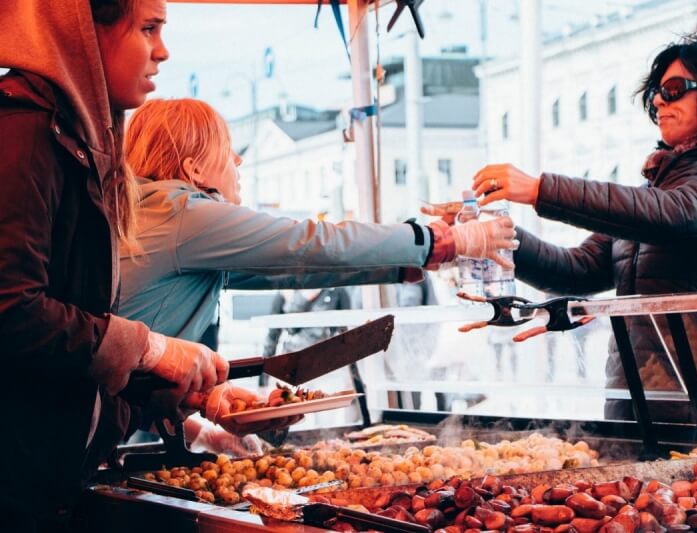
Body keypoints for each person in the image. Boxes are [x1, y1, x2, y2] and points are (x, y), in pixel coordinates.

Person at [0, 2, 272, 529]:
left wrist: (170, 396)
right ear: (82, 33)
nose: (162, 51)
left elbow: (62, 366)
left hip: (51, 488)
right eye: (147, 29)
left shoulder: (72, 142)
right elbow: (11, 310)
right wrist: (149, 347)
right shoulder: (23, 135)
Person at [117, 97, 515, 449]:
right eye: (227, 149)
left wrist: (409, 261)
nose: (238, 161)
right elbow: (310, 242)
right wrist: (438, 242)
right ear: (195, 169)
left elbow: (293, 271)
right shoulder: (183, 214)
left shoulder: (158, 220)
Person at [469, 36, 697, 427]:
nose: (658, 101)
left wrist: (541, 189)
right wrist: (499, 237)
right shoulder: (663, 182)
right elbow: (580, 268)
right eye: (657, 92)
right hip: (643, 401)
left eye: (674, 90)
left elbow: (683, 214)